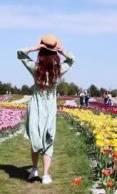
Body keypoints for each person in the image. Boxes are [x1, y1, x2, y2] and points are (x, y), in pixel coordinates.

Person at [17, 34, 75, 184]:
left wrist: (34, 47)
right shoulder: (59, 70)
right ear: (55, 53)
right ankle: (46, 174)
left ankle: (34, 169)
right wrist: (61, 51)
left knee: (35, 138)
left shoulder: (36, 68)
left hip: (36, 105)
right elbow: (72, 59)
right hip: (49, 107)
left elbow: (20, 54)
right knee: (48, 138)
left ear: (41, 52)